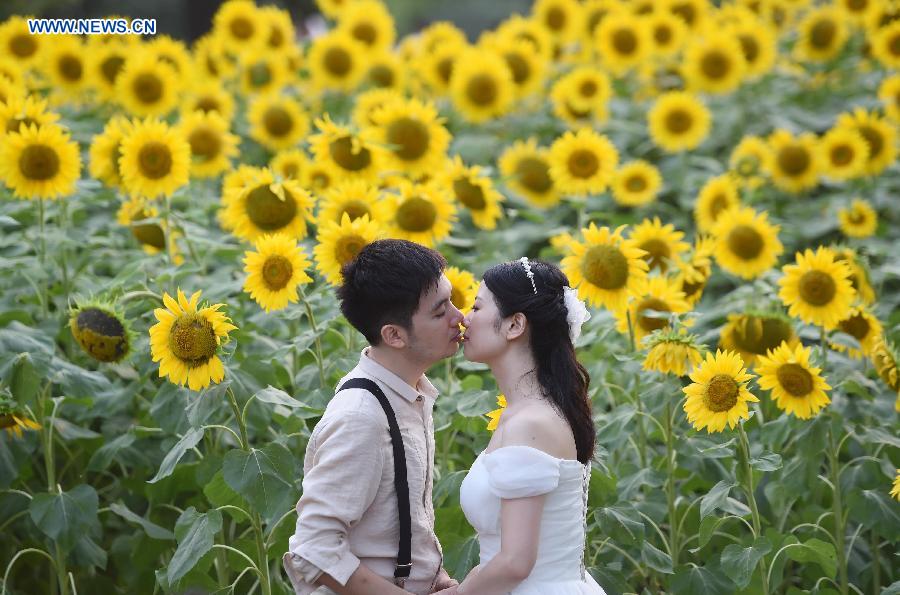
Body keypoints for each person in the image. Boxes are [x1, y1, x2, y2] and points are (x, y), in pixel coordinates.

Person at [283, 239, 462, 595]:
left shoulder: (408, 393)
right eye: (441, 312)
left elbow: (393, 527)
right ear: (394, 335)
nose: (460, 317)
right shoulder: (362, 417)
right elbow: (313, 550)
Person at [438, 257, 606, 595]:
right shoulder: (530, 413)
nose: (464, 319)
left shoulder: (530, 423)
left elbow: (516, 562)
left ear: (515, 325)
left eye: (476, 306)